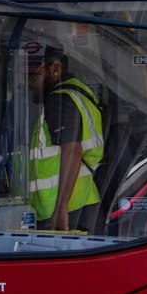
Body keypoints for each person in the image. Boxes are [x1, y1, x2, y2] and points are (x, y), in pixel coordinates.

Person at [27, 48, 104, 232]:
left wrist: (61, 207)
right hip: (81, 203)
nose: (29, 84)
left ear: (55, 69)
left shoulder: (60, 99)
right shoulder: (80, 95)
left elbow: (72, 149)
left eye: (33, 76)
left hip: (65, 211)